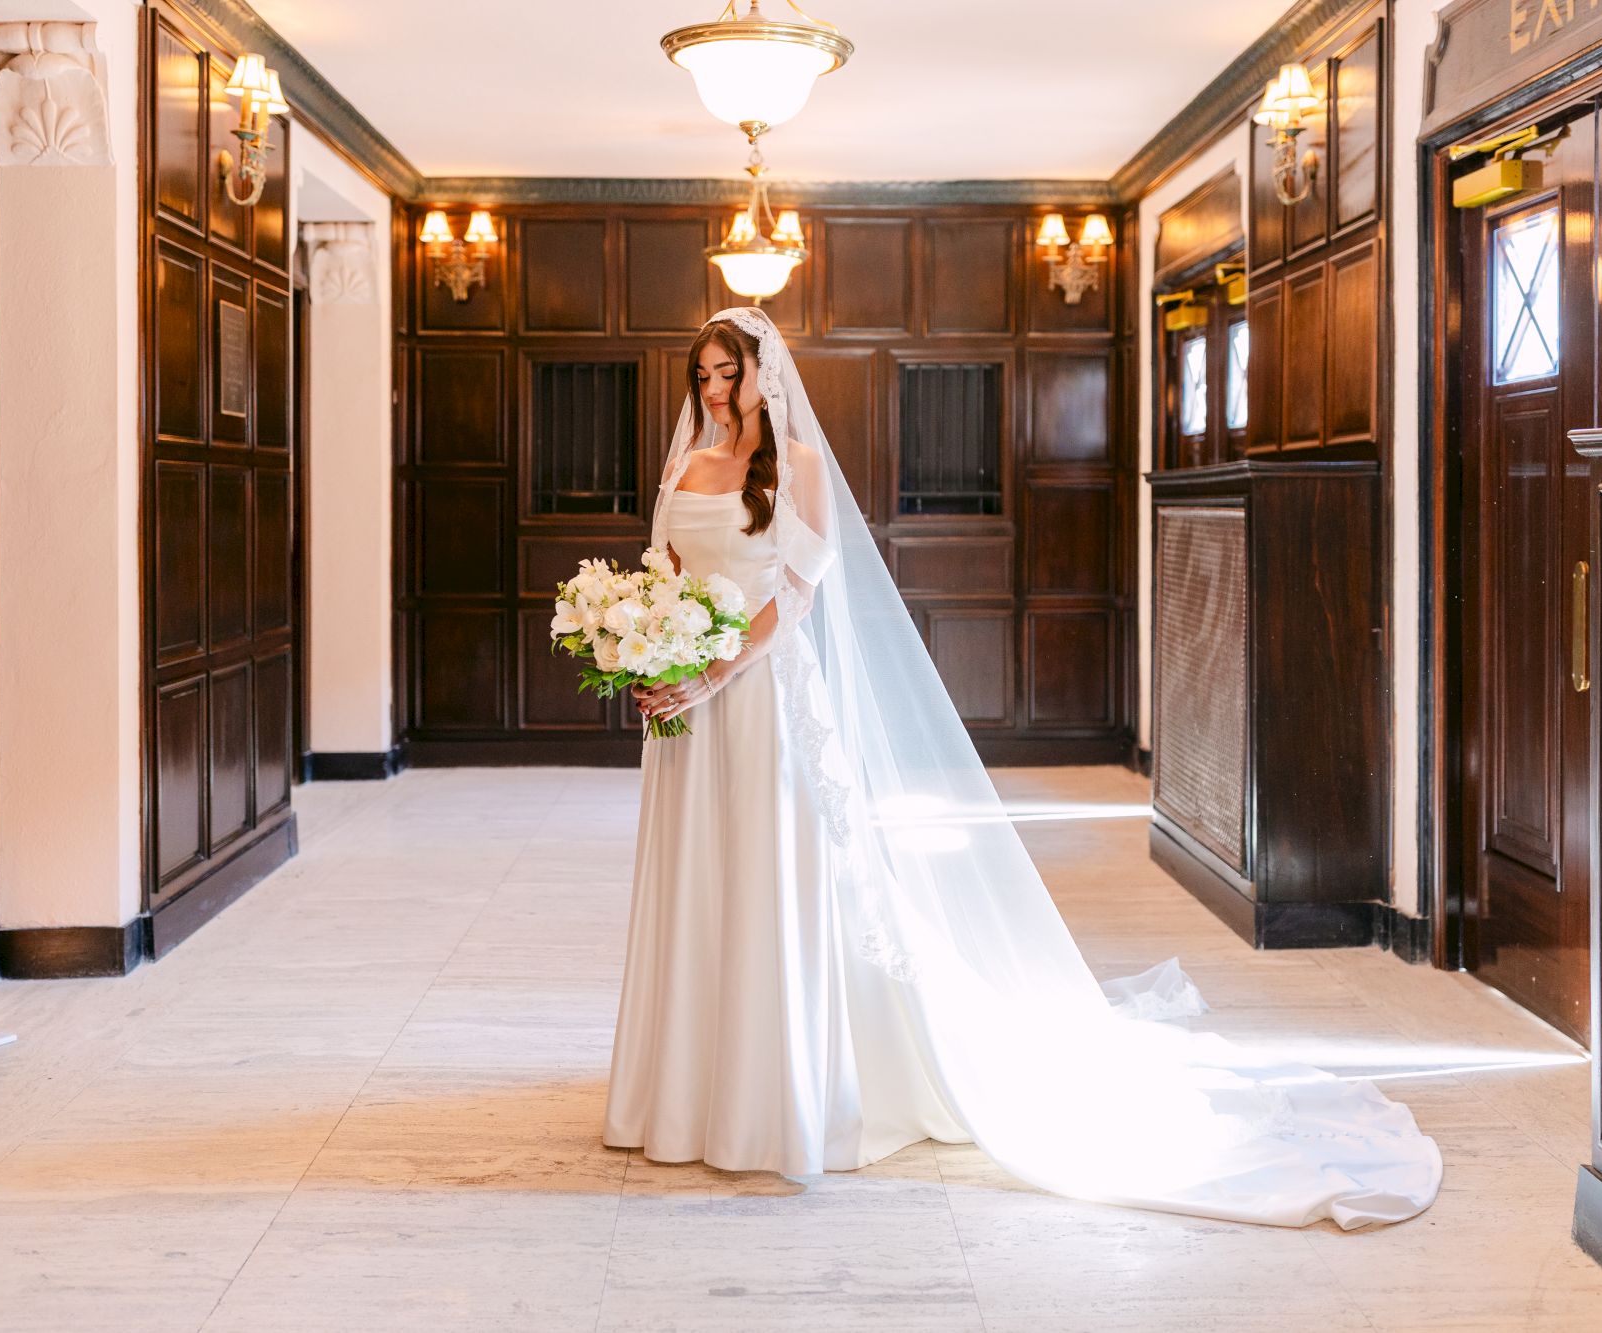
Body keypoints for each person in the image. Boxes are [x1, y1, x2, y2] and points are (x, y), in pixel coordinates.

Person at [601, 307, 1441, 1229]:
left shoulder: (796, 468)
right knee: (697, 881)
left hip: (762, 700)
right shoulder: (684, 465)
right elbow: (664, 579)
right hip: (684, 709)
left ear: (766, 372)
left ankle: (777, 1086)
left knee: (774, 878)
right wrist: (653, 660)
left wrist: (718, 670)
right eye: (706, 376)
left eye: (731, 372)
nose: (717, 391)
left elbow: (797, 594)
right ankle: (684, 1083)